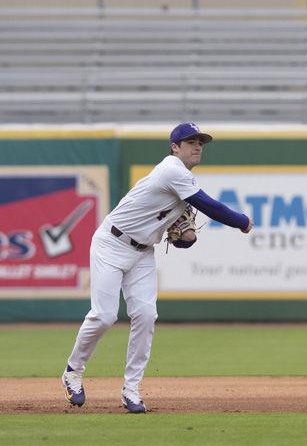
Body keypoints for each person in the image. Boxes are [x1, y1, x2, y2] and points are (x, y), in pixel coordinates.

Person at [62, 122, 253, 413]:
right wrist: (242, 221)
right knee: (104, 316)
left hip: (142, 252)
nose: (197, 146)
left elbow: (182, 240)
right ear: (175, 147)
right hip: (111, 244)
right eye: (190, 142)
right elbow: (209, 206)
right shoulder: (172, 170)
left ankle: (131, 389)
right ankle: (73, 371)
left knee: (146, 315)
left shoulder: (182, 182)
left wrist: (183, 238)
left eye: (200, 141)